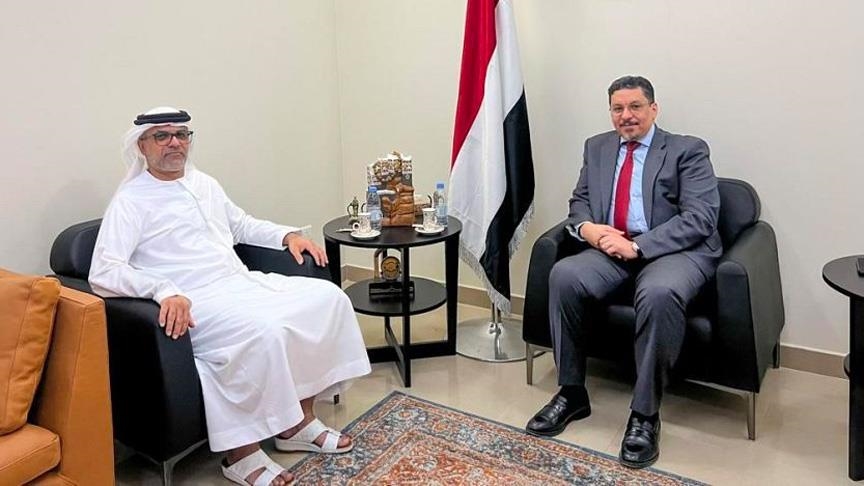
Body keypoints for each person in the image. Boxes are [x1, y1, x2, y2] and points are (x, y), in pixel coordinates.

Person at [89, 107, 372, 486]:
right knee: (265, 330)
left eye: (181, 135)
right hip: (193, 299)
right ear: (142, 145)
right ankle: (241, 454)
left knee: (327, 299)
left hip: (236, 282)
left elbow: (240, 225)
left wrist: (287, 236)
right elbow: (104, 270)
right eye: (162, 136)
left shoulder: (203, 183)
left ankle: (297, 424)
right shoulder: (130, 200)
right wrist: (162, 289)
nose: (174, 143)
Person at [525, 76, 721, 469]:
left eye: (635, 106)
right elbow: (580, 201)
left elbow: (701, 218)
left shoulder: (687, 150)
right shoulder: (596, 147)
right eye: (618, 108)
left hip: (673, 251)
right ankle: (572, 392)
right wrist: (589, 230)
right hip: (612, 247)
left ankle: (645, 415)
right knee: (564, 275)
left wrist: (639, 246)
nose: (626, 115)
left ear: (653, 109)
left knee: (660, 293)